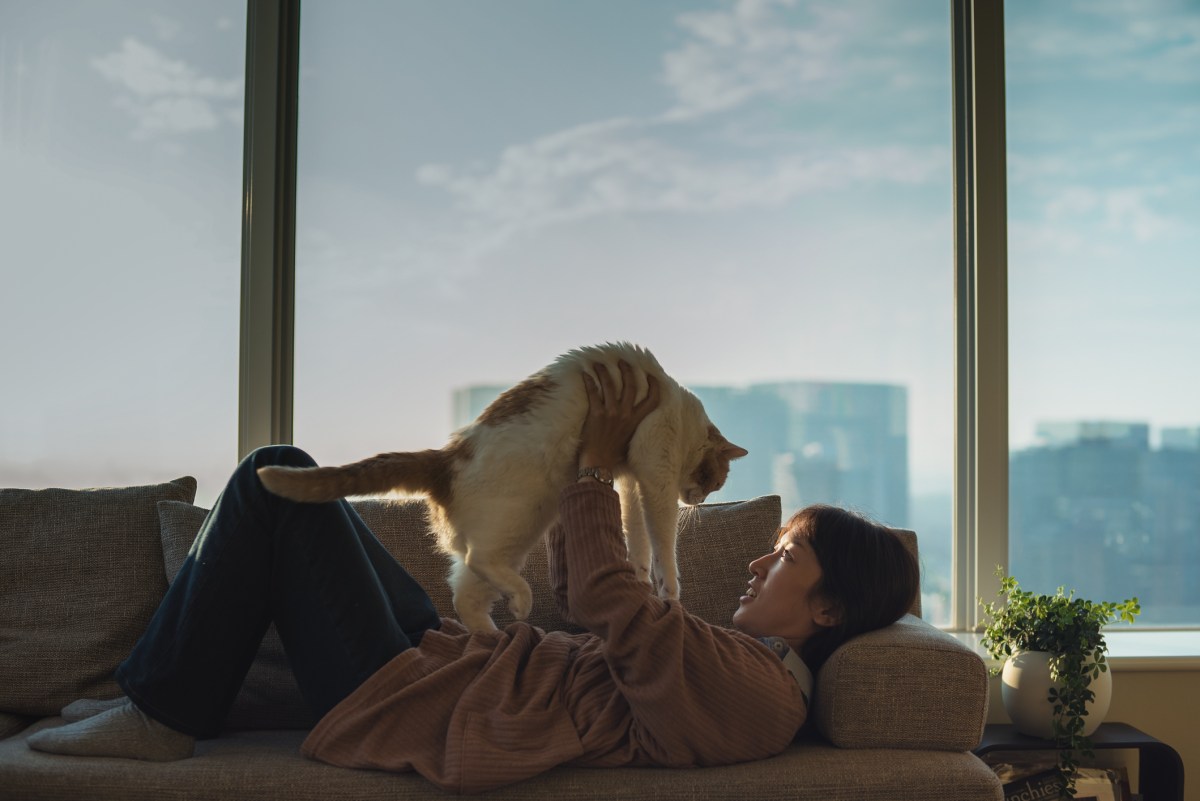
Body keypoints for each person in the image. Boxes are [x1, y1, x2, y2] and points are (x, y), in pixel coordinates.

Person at [28, 361, 920, 794]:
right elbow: (592, 598)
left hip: (422, 695)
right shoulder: (739, 662)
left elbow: (617, 607)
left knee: (275, 476)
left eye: (788, 556)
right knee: (314, 496)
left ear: (830, 608)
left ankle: (160, 715)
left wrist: (587, 458)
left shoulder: (762, 692)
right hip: (451, 656)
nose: (761, 558)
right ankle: (167, 691)